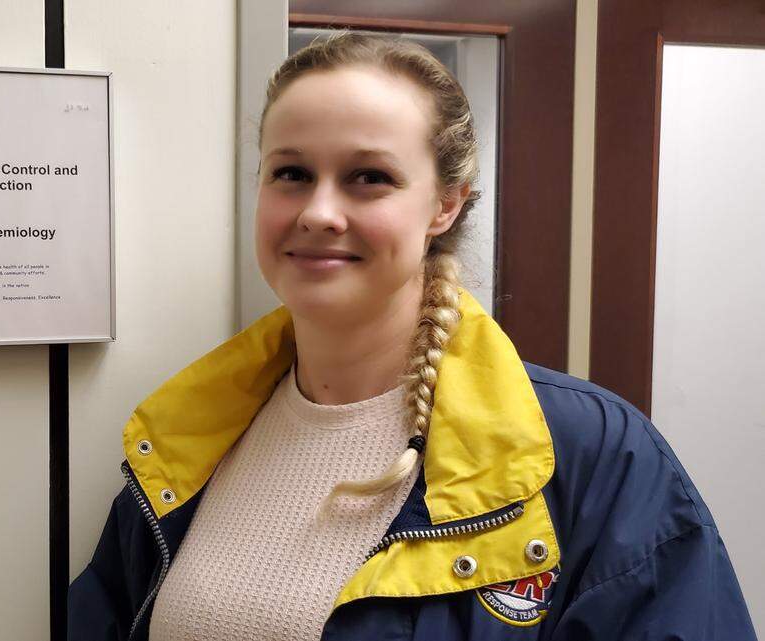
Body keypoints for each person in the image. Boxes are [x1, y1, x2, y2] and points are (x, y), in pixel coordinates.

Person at [67, 32, 756, 640]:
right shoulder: (183, 443)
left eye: (369, 177)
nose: (319, 211)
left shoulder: (593, 456)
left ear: (445, 203)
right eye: (291, 174)